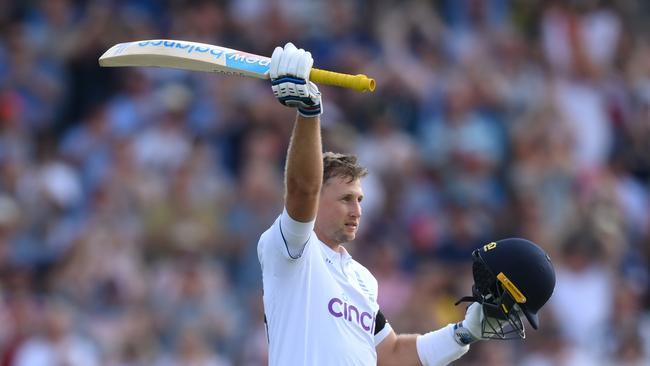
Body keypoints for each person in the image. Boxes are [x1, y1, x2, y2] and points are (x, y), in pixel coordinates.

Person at [257, 43, 556, 366]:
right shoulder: (292, 251)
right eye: (345, 199)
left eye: (360, 199)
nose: (357, 210)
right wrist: (308, 112)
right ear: (318, 198)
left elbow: (393, 353)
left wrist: (465, 332)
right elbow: (302, 187)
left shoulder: (360, 279)